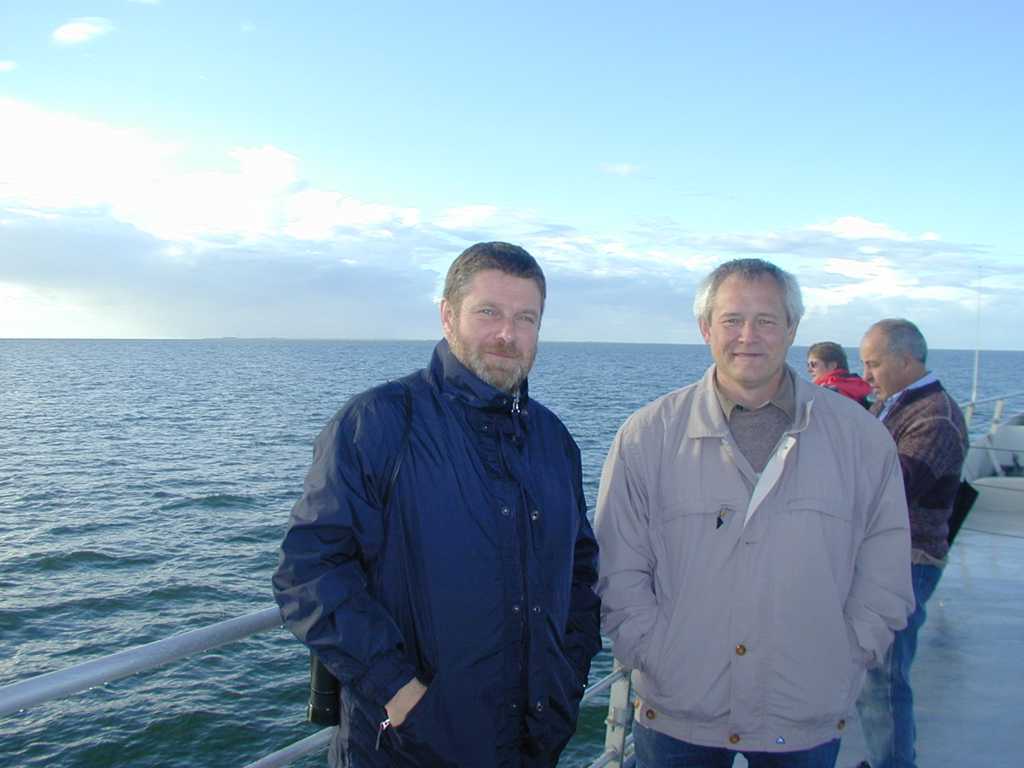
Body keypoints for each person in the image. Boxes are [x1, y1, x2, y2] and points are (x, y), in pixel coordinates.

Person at [272, 242, 601, 767]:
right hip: (408, 748)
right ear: (448, 316)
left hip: (533, 743)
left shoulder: (552, 440)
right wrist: (397, 689)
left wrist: (569, 672)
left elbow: (580, 569)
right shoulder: (378, 423)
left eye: (526, 318)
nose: (507, 334)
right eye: (488, 312)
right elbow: (309, 569)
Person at [595, 258, 914, 768]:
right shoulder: (647, 436)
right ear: (706, 328)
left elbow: (886, 568)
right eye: (732, 320)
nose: (748, 336)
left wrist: (848, 653)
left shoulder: (861, 440)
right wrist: (653, 651)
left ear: (792, 328)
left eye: (766, 320)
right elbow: (618, 565)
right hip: (679, 707)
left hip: (806, 709)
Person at [855, 319, 969, 768]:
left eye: (873, 364)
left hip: (909, 561)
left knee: (883, 676)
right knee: (872, 672)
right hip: (880, 556)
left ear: (906, 361)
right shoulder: (892, 404)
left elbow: (896, 488)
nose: (866, 375)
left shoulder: (935, 417)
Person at [807, 341, 872, 407]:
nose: (809, 370)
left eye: (813, 364)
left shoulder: (828, 392)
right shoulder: (856, 387)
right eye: (808, 365)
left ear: (832, 366)